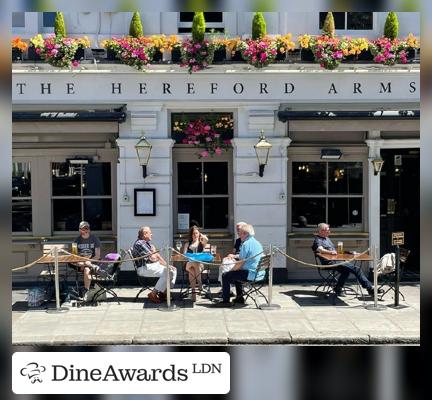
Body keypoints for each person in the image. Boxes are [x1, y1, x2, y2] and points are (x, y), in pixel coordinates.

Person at [312, 222, 382, 297]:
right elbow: (320, 249)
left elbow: (336, 252)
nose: (329, 232)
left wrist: (349, 252)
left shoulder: (327, 238)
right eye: (328, 230)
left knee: (345, 271)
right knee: (356, 269)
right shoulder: (318, 240)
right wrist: (330, 252)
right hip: (330, 262)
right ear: (321, 231)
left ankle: (338, 288)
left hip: (337, 261)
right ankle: (370, 289)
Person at [213, 223, 263, 307]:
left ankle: (226, 301)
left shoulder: (246, 244)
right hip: (259, 273)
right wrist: (235, 259)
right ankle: (240, 298)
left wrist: (231, 270)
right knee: (236, 274)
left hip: (250, 274)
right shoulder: (257, 243)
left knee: (226, 275)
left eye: (240, 233)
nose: (239, 235)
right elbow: (245, 257)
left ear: (246, 234)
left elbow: (240, 262)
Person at [132, 226, 177, 304]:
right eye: (150, 233)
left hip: (151, 266)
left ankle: (164, 292)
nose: (152, 234)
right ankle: (153, 294)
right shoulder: (140, 243)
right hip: (144, 268)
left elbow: (157, 257)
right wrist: (154, 252)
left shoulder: (146, 243)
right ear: (145, 234)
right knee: (169, 272)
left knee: (173, 269)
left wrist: (167, 265)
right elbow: (153, 257)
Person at [71, 221, 101, 300]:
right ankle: (87, 292)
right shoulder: (76, 241)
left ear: (89, 229)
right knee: (86, 268)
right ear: (80, 230)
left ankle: (86, 292)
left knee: (87, 269)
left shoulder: (95, 239)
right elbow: (74, 256)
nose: (85, 230)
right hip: (81, 262)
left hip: (91, 261)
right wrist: (82, 262)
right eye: (83, 229)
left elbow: (97, 256)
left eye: (87, 228)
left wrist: (88, 261)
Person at [217, 221, 247, 290]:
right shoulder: (238, 241)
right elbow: (234, 252)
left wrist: (234, 256)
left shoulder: (248, 241)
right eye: (237, 230)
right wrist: (231, 255)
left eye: (239, 229)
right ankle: (226, 288)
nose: (237, 231)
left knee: (223, 268)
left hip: (242, 264)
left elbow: (245, 256)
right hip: (235, 261)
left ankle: (226, 289)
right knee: (223, 265)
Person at [182, 225, 208, 302]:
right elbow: (184, 255)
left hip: (199, 266)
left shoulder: (201, 243)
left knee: (192, 270)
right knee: (193, 263)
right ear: (191, 235)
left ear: (199, 234)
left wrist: (201, 235)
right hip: (188, 264)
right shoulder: (187, 244)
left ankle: (193, 292)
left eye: (196, 233)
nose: (195, 235)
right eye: (193, 233)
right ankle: (200, 285)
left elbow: (206, 239)